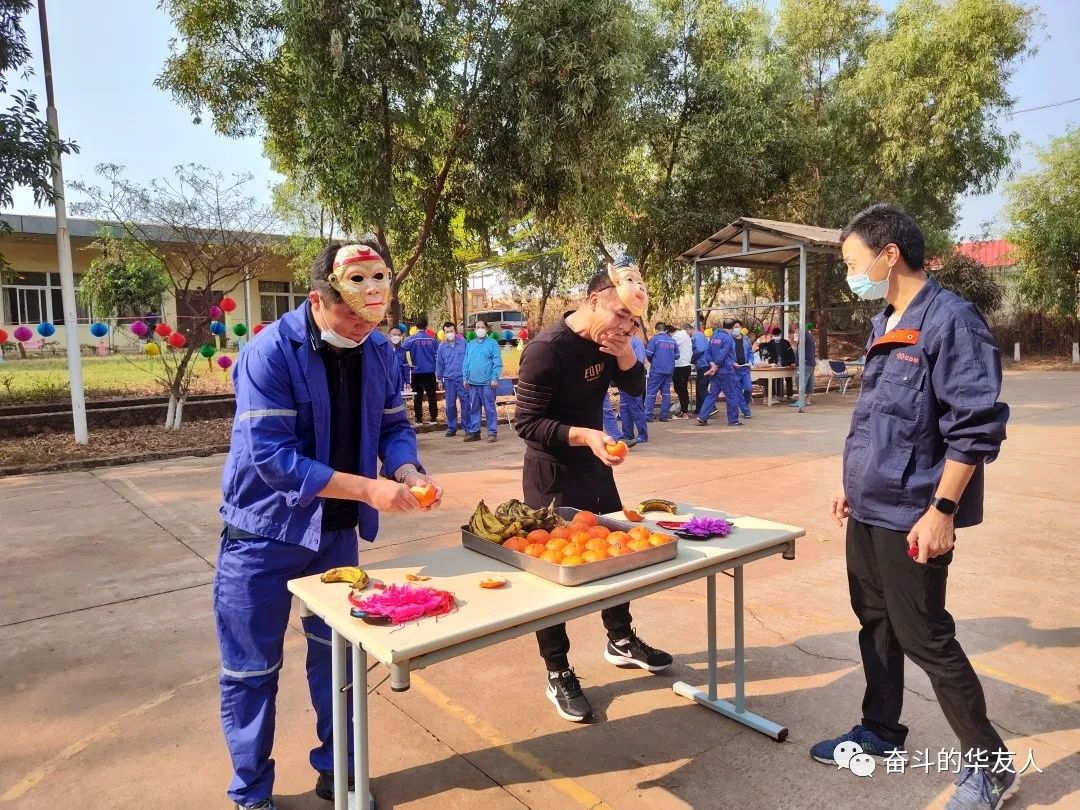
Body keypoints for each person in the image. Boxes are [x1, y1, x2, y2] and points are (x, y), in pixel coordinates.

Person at [216, 241, 442, 810]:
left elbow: (393, 426)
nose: (363, 327)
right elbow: (273, 458)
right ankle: (251, 791)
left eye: (374, 316)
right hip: (263, 533)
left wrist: (406, 468)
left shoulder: (379, 351)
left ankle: (338, 769)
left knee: (337, 659)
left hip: (335, 534)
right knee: (251, 669)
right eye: (351, 314)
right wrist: (368, 488)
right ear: (318, 300)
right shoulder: (269, 352)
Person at [815, 204, 1015, 810]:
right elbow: (878, 416)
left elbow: (975, 427)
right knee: (875, 621)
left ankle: (990, 766)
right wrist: (852, 482)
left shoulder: (951, 321)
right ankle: (880, 729)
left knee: (925, 636)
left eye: (852, 262)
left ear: (889, 254)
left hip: (914, 512)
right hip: (869, 505)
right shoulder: (886, 320)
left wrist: (943, 510)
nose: (850, 274)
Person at [513, 268, 672, 723]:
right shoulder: (547, 349)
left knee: (617, 555)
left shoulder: (614, 342)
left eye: (633, 321)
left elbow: (635, 389)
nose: (624, 326)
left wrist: (626, 355)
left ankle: (620, 639)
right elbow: (526, 423)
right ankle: (558, 670)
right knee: (553, 575)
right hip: (551, 474)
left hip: (596, 466)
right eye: (619, 314)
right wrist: (584, 435)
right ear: (593, 299)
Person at [696, 320, 744, 427]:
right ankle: (733, 420)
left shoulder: (714, 337)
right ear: (732, 327)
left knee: (712, 395)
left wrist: (712, 364)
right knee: (731, 395)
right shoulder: (728, 338)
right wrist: (716, 365)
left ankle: (702, 417)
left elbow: (707, 352)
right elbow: (723, 353)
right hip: (726, 371)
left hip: (716, 372)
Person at [462, 317, 502, 442]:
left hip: (487, 383)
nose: (480, 329)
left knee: (489, 408)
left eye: (482, 327)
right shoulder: (470, 344)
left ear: (487, 329)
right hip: (473, 383)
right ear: (474, 330)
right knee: (474, 409)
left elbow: (497, 362)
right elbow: (466, 363)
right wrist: (465, 378)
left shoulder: (492, 343)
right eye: (478, 327)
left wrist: (494, 378)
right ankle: (474, 432)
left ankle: (492, 432)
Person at [403, 317, 439, 424]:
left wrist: (409, 364)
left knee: (418, 396)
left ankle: (418, 419)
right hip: (430, 371)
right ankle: (433, 418)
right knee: (431, 395)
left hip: (416, 371)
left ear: (415, 326)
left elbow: (402, 350)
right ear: (426, 325)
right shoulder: (433, 340)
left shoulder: (410, 339)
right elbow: (438, 354)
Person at [436, 321, 467, 437]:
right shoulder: (442, 346)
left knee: (465, 403)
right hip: (449, 380)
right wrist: (439, 379)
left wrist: (468, 377)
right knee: (450, 405)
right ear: (444, 333)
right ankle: (451, 427)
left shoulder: (463, 343)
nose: (450, 333)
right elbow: (439, 363)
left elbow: (468, 360)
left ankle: (467, 427)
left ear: (455, 331)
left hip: (462, 379)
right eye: (447, 332)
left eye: (451, 331)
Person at [644, 321, 678, 422]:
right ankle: (664, 416)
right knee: (666, 393)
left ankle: (648, 416)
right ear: (665, 329)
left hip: (657, 370)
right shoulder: (672, 341)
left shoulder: (655, 340)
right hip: (669, 370)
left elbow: (649, 354)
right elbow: (677, 356)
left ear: (656, 330)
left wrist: (653, 360)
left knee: (651, 393)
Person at [619, 331, 649, 443]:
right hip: (622, 380)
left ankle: (642, 434)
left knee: (636, 407)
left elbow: (639, 361)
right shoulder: (620, 341)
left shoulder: (636, 342)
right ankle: (627, 434)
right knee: (624, 408)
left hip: (633, 380)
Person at [730, 319, 754, 420]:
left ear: (741, 328)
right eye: (733, 327)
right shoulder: (729, 339)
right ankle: (746, 411)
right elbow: (727, 354)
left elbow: (750, 352)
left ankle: (744, 405)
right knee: (738, 391)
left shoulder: (746, 339)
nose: (735, 329)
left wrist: (750, 361)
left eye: (737, 327)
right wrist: (732, 363)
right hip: (734, 369)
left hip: (745, 368)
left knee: (749, 389)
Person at [791, 324, 817, 407]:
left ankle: (800, 400)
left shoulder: (803, 335)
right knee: (809, 381)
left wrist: (797, 362)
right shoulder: (809, 335)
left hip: (804, 362)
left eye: (795, 330)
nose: (795, 332)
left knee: (800, 379)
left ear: (798, 329)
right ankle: (807, 400)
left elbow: (799, 349)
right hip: (810, 362)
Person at [672, 322, 693, 418]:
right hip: (684, 365)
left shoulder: (680, 335)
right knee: (680, 388)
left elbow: (672, 346)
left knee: (681, 389)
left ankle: (685, 412)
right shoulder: (684, 336)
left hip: (681, 366)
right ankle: (683, 410)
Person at [690, 323, 711, 415]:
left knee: (701, 387)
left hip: (703, 364)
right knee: (700, 387)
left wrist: (691, 359)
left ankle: (711, 407)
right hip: (703, 364)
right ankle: (699, 409)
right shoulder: (700, 336)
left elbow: (699, 350)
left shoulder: (697, 336)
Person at [388, 325, 411, 395]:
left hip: (400, 384)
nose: (396, 337)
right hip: (387, 383)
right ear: (389, 336)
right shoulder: (383, 350)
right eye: (394, 334)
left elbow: (406, 367)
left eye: (399, 335)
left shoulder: (403, 351)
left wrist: (408, 382)